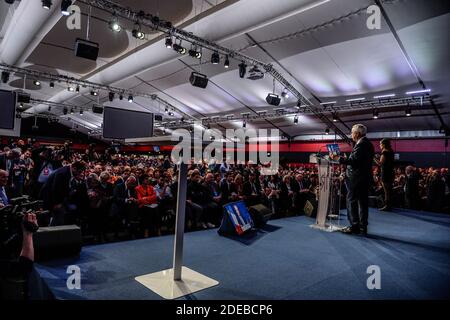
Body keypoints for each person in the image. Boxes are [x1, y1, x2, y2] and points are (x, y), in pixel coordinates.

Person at [330, 124, 374, 235]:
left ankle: (354, 226)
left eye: (352, 132)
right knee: (363, 203)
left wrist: (337, 158)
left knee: (352, 201)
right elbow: (358, 160)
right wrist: (346, 159)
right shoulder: (368, 144)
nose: (351, 134)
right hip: (364, 178)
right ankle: (363, 227)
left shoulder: (361, 144)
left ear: (357, 134)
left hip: (356, 179)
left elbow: (354, 161)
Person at [376, 138, 395, 211]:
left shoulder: (384, 152)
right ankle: (389, 205)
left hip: (385, 173)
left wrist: (373, 157)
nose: (379, 145)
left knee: (386, 191)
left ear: (384, 144)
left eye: (380, 144)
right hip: (390, 172)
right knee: (389, 190)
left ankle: (387, 206)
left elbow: (380, 163)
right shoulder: (391, 151)